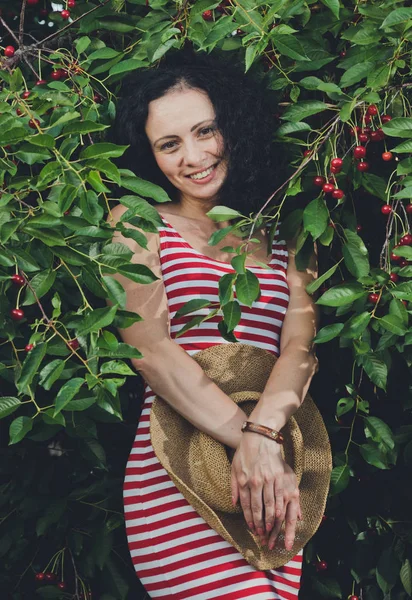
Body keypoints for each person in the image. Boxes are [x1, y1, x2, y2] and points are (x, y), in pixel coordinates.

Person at [107, 48, 318, 599]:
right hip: (177, 473)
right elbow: (149, 350)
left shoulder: (284, 227)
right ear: (149, 156)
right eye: (169, 144)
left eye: (207, 131)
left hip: (271, 478)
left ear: (234, 127)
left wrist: (266, 438)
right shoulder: (137, 224)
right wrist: (253, 441)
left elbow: (300, 345)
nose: (195, 155)